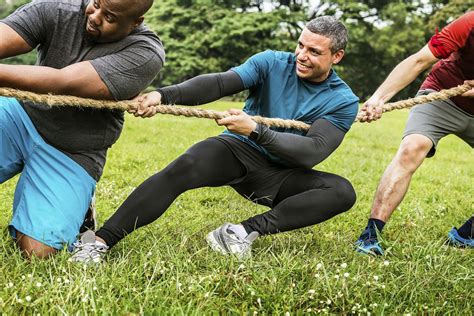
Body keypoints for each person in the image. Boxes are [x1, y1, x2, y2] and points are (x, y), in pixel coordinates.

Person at [70, 15, 359, 263]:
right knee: (182, 168)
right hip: (239, 150)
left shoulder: (343, 100)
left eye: (314, 51)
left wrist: (256, 130)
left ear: (337, 56)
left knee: (341, 191)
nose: (302, 56)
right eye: (300, 45)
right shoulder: (271, 63)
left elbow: (312, 151)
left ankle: (240, 232)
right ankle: (100, 241)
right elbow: (221, 83)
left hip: (283, 172)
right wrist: (164, 95)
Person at [0, 0, 165, 258]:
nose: (94, 16)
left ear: (135, 22)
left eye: (109, 16)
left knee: (38, 251)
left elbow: (63, 82)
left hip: (73, 150)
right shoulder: (56, 9)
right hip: (21, 115)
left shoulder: (144, 52)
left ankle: (79, 206)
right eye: (95, 2)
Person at [355, 11, 474, 255]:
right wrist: (378, 98)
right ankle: (370, 235)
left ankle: (467, 234)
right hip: (443, 95)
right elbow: (419, 60)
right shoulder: (469, 23)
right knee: (412, 148)